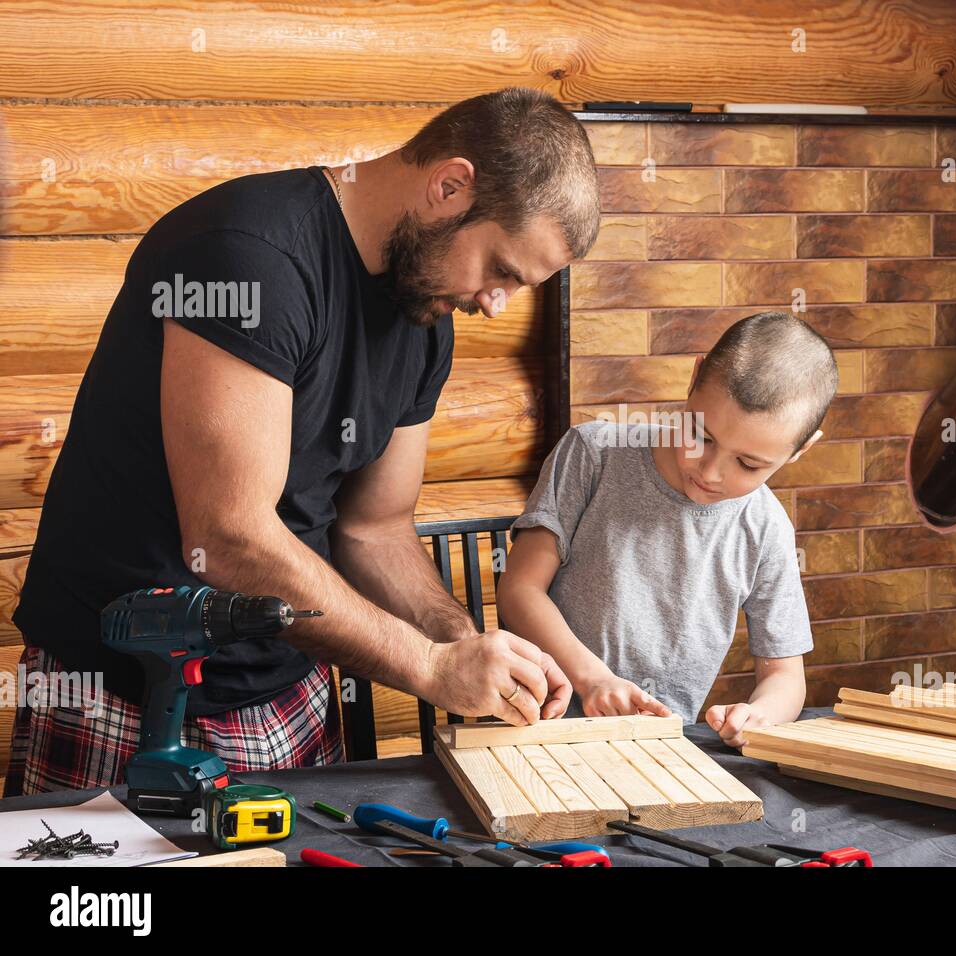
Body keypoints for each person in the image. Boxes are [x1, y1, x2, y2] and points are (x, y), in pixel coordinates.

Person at [6, 88, 597, 796]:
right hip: (126, 693)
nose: (496, 303)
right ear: (450, 185)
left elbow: (376, 528)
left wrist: (458, 641)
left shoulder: (423, 314)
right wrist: (429, 669)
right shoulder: (245, 254)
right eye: (501, 269)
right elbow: (227, 538)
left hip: (290, 685)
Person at [497, 311, 836, 747]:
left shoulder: (766, 526)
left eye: (748, 464)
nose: (712, 472)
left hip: (661, 749)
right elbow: (520, 590)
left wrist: (760, 715)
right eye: (702, 435)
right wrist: (594, 680)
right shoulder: (594, 454)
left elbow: (786, 676)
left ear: (801, 449)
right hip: (536, 733)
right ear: (694, 377)